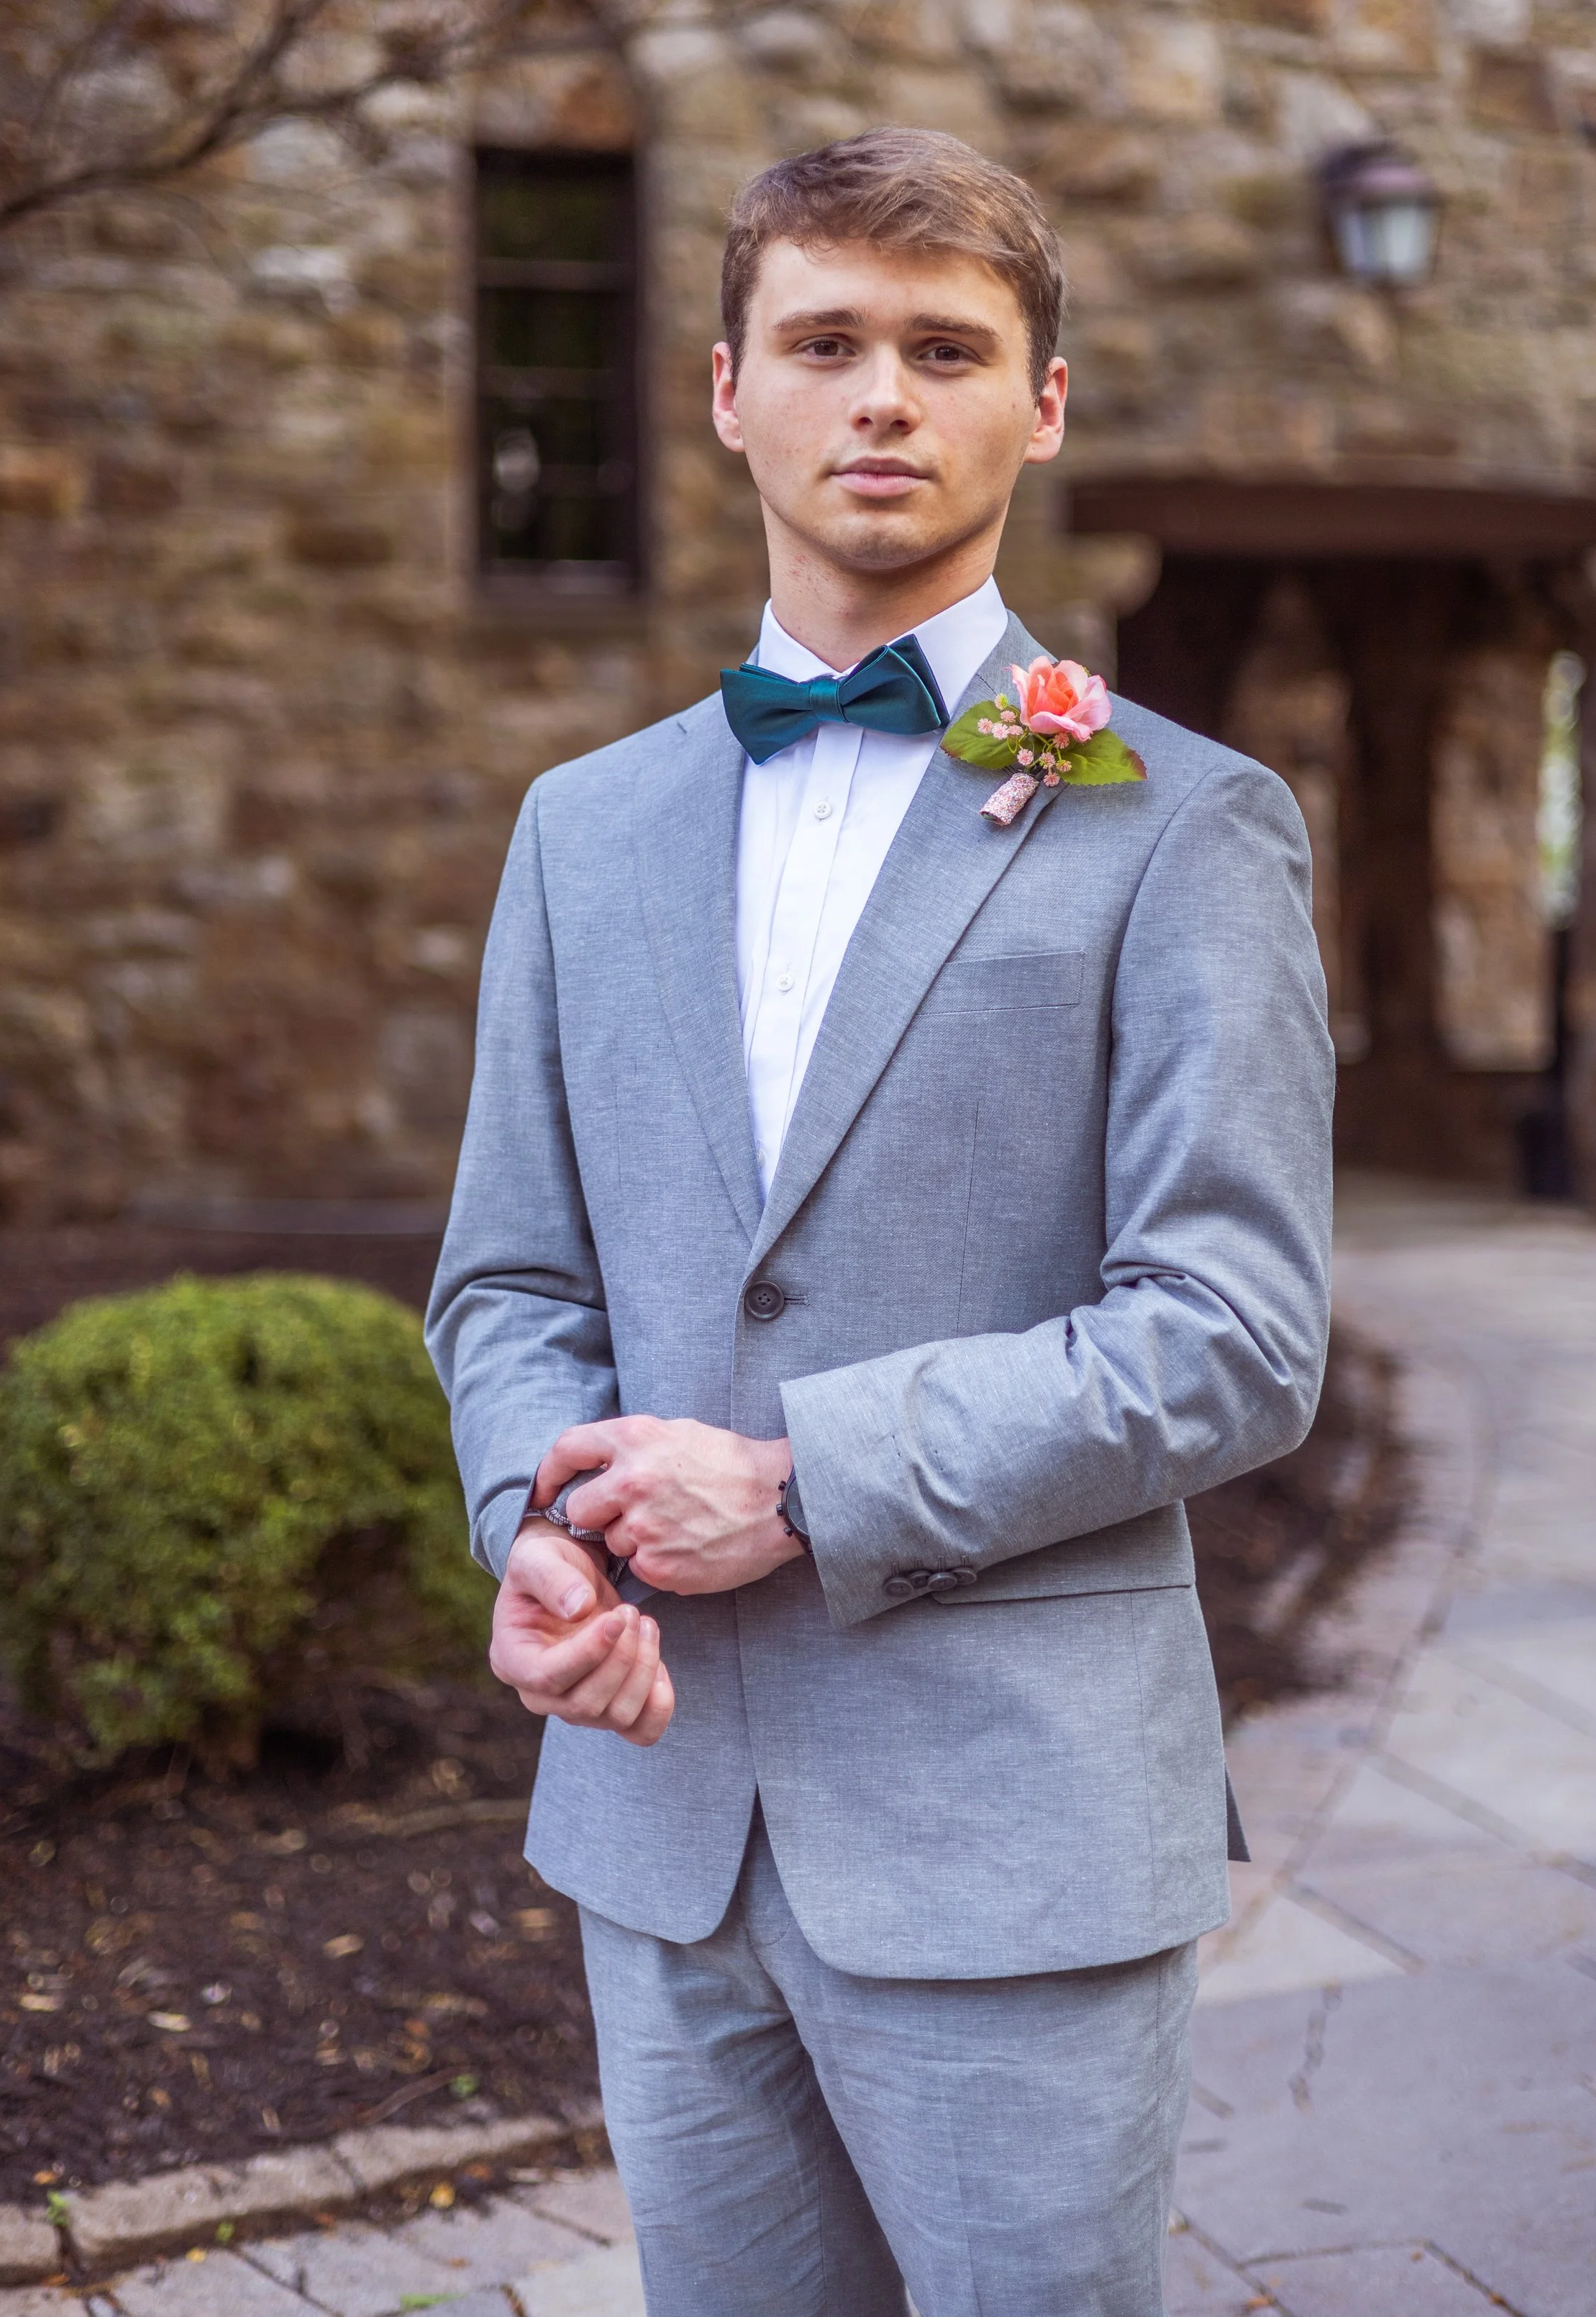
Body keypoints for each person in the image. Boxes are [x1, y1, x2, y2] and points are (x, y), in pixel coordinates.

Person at [427, 127, 1333, 2317]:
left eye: (945, 347)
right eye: (825, 341)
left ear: (1039, 402)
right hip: (655, 1821)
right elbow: (511, 1280)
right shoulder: (582, 829)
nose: (882, 396)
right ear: (726, 386)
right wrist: (530, 1517)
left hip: (1010, 1833)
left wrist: (801, 1479)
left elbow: (1231, 1327)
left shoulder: (1179, 821)